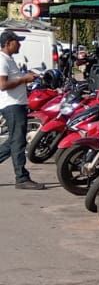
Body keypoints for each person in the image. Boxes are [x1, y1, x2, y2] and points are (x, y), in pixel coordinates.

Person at [0, 31, 45, 189]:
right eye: (16, 41)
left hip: (17, 105)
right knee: (18, 142)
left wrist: (26, 77)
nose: (19, 44)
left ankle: (22, 177)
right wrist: (24, 79)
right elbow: (3, 85)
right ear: (8, 43)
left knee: (13, 141)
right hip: (11, 106)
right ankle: (21, 178)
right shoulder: (2, 60)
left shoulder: (9, 60)